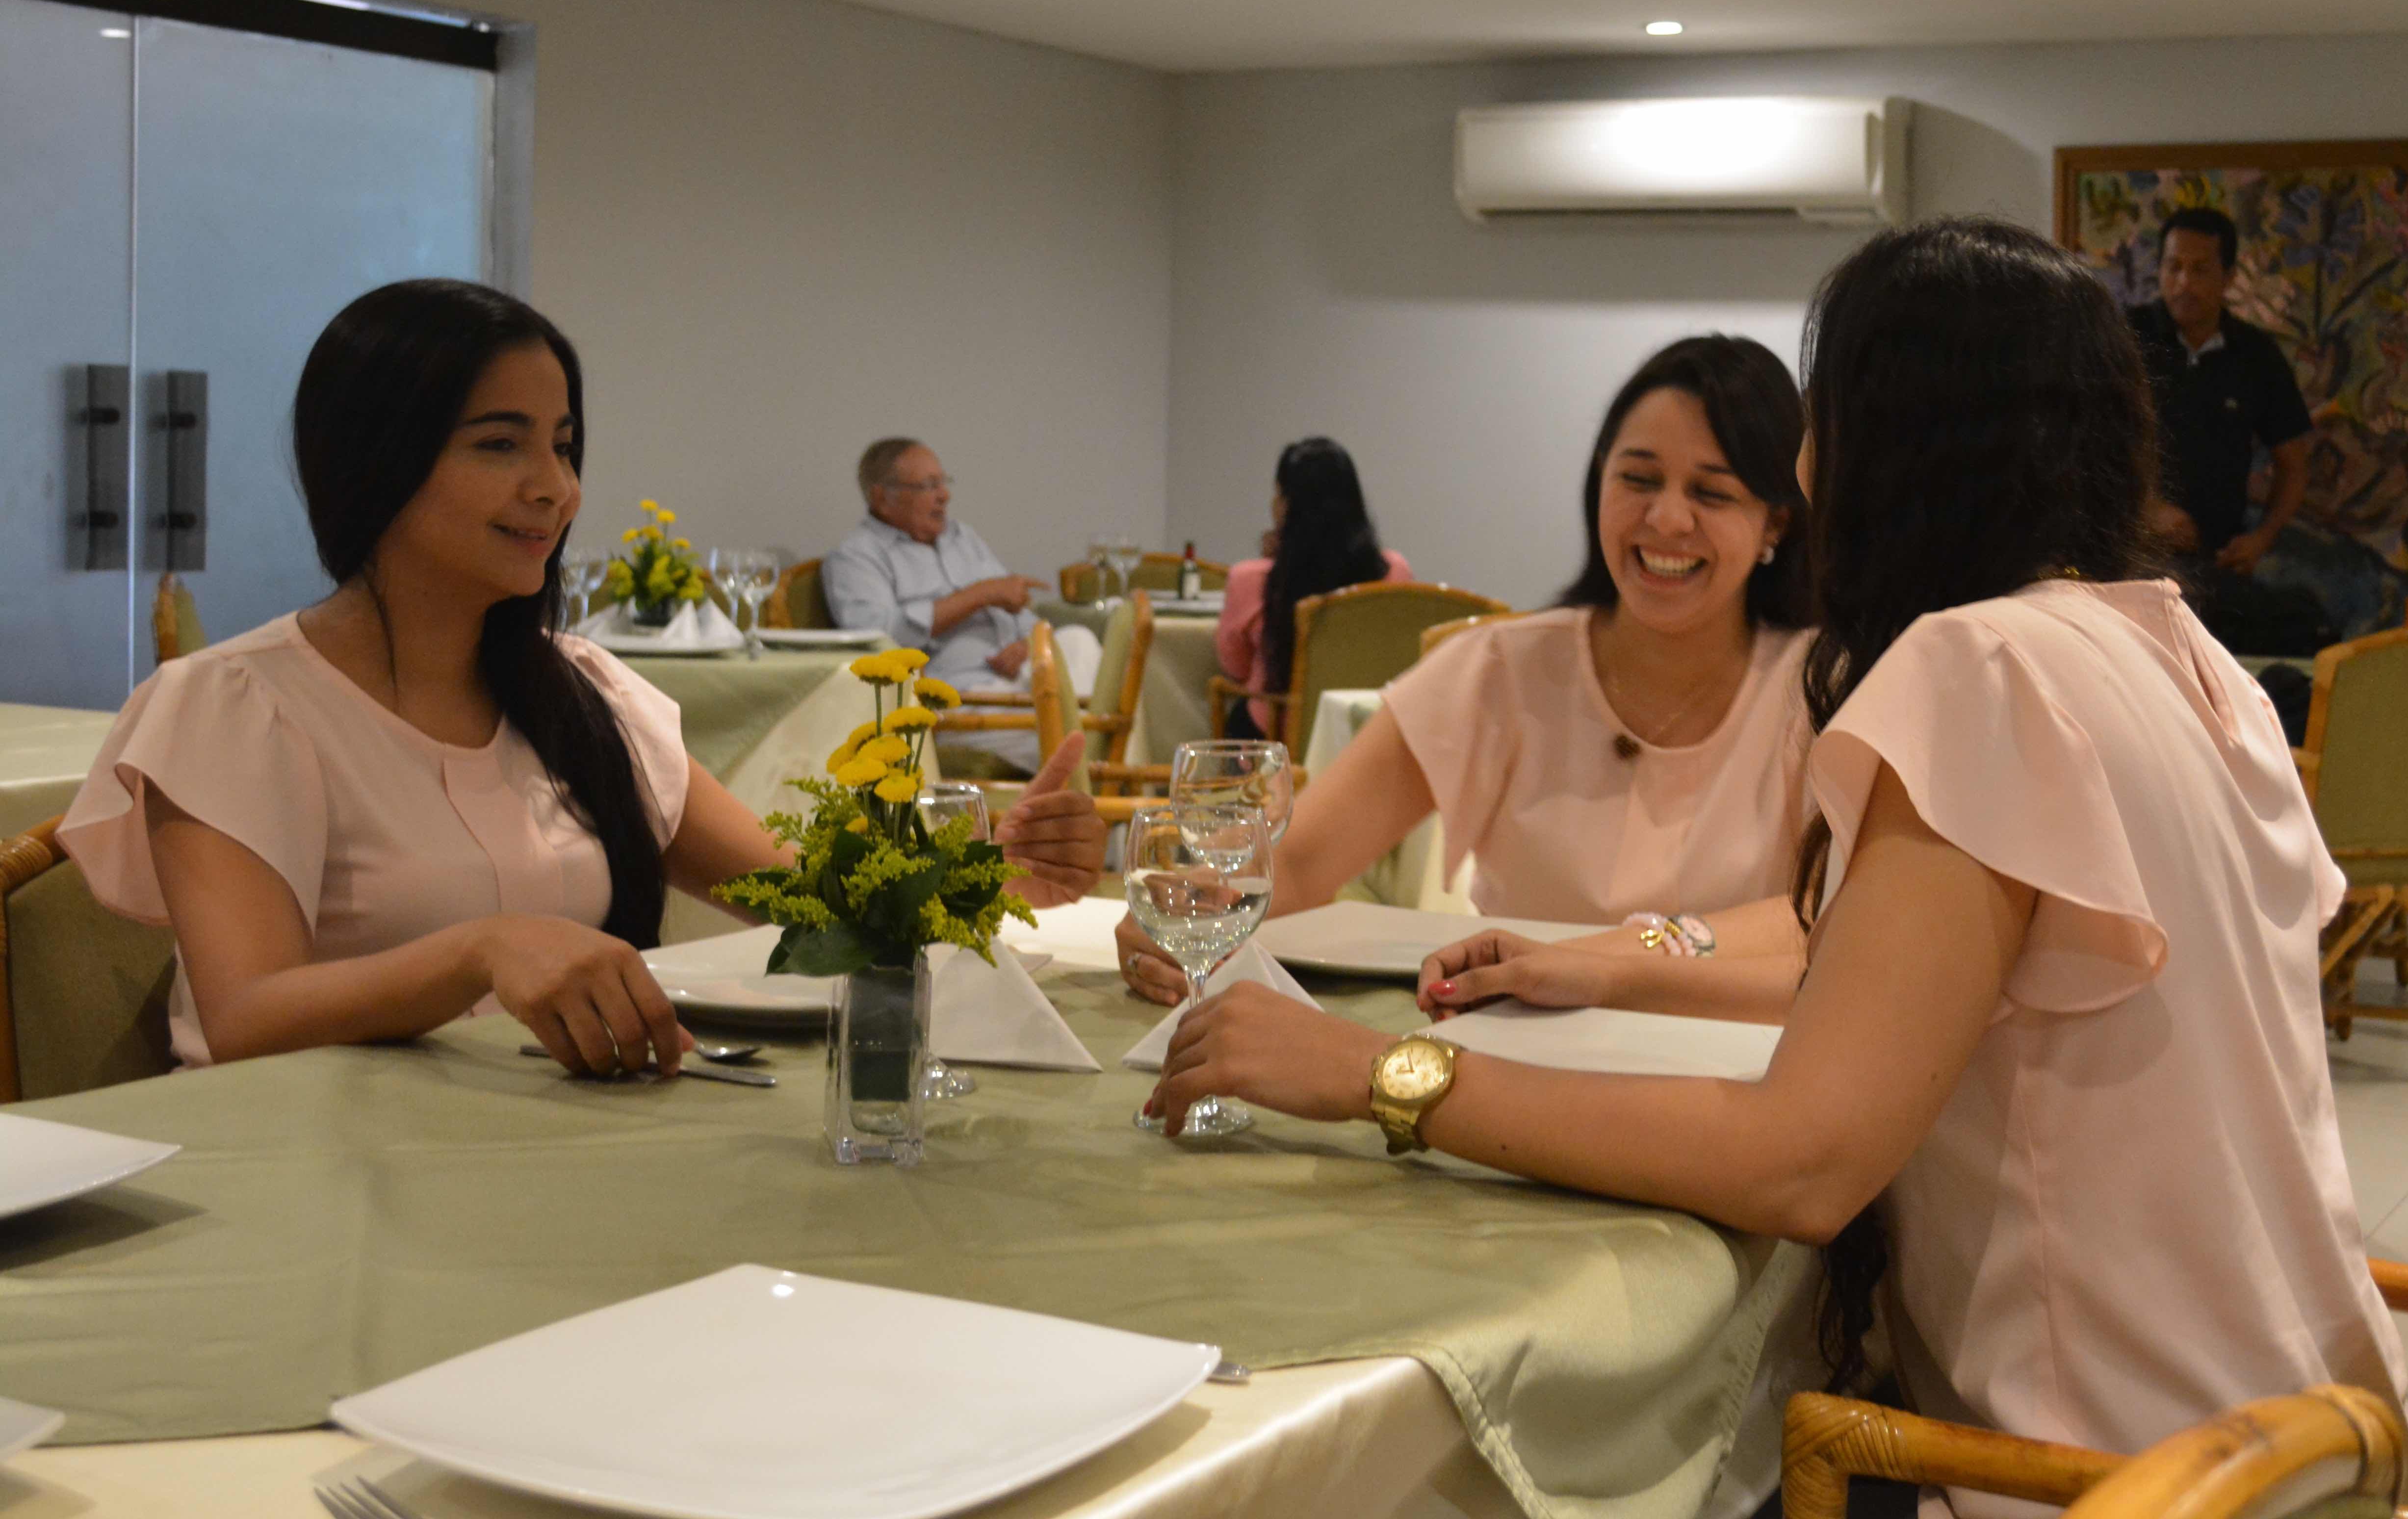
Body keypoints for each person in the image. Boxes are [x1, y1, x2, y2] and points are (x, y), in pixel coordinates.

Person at [1147, 222, 2408, 1519]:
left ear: (1886, 447)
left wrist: (1378, 1074)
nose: (1804, 467)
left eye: (1815, 425)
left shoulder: (1983, 672)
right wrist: (1615, 961)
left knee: (1556, 1487)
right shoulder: (2186, 660)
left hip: (2101, 1492)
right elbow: (1920, 978)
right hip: (2305, 1458)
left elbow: (1802, 1161)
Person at [60, 281, 1104, 1076]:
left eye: (563, 447)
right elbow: (247, 1019)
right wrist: (481, 952)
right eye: (499, 444)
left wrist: (981, 877)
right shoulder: (240, 706)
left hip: (532, 1152)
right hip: (311, 1172)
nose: (554, 488)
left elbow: (801, 897)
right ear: (374, 459)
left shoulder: (582, 694)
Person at [1116, 334, 1816, 1003]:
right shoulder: (1501, 670)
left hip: (1743, 1070)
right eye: (1639, 478)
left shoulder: (1821, 687)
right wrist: (1190, 906)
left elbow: (1825, 916)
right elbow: (1301, 861)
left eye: (1712, 493)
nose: (1666, 518)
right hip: (1518, 1052)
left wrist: (1608, 960)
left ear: (1776, 524)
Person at [2125, 207, 2331, 657]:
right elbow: (2082, 441)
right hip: (2130, 561)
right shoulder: (2126, 338)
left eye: (2200, 270)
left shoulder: (2255, 355)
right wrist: (2146, 507)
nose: (2184, 283)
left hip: (2214, 567)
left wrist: (2262, 538)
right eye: (2174, 267)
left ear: (2229, 277)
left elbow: (2293, 466)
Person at [822, 438, 1047, 776]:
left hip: (1023, 679)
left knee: (1078, 640)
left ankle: (1100, 748)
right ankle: (1107, 768)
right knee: (1061, 733)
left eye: (943, 482)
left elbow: (1022, 613)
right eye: (929, 486)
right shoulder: (856, 557)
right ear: (882, 498)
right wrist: (980, 595)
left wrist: (1027, 644)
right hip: (961, 699)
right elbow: (878, 640)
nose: (944, 496)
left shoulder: (962, 537)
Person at [1213, 438, 1414, 742]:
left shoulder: (1252, 579)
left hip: (1277, 737)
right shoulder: (1396, 571)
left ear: (1286, 506)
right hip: (1364, 732)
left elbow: (1235, 667)